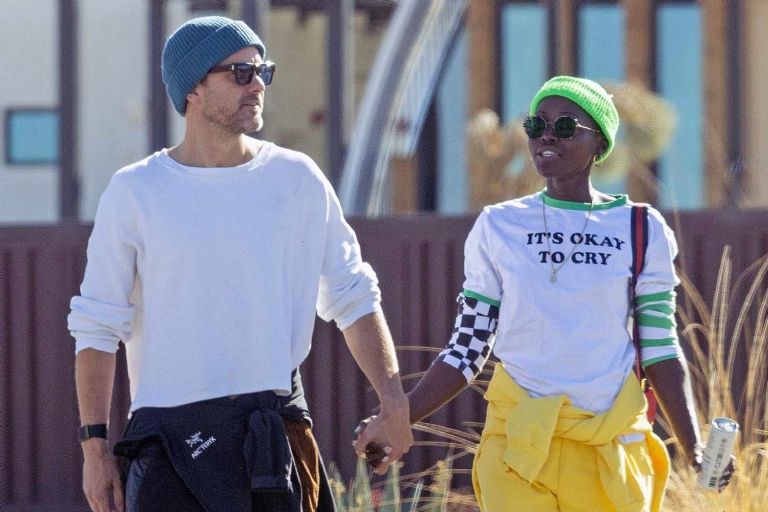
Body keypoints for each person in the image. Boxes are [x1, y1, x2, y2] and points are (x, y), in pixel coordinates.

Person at [68, 15, 412, 512]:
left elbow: (353, 296)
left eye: (262, 73)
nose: (257, 86)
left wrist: (393, 398)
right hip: (166, 445)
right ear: (193, 89)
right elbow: (97, 326)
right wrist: (94, 448)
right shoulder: (135, 191)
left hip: (272, 436)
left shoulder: (297, 179)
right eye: (239, 73)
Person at [354, 76, 735, 511]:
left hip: (609, 447)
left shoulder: (641, 228)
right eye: (537, 125)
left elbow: (660, 347)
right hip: (518, 448)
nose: (547, 135)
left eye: (566, 126)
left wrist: (695, 446)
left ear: (599, 144)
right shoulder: (498, 226)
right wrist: (398, 415)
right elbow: (467, 348)